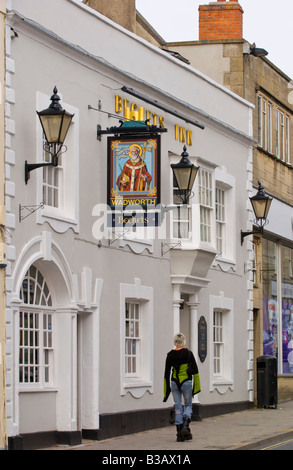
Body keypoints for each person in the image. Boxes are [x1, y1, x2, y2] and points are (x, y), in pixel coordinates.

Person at [163, 333, 201, 442]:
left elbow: (166, 373)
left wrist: (166, 390)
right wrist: (196, 387)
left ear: (174, 341)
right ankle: (185, 424)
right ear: (183, 341)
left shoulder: (169, 355)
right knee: (188, 405)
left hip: (174, 382)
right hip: (186, 382)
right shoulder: (188, 354)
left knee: (178, 406)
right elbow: (195, 370)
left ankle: (179, 434)